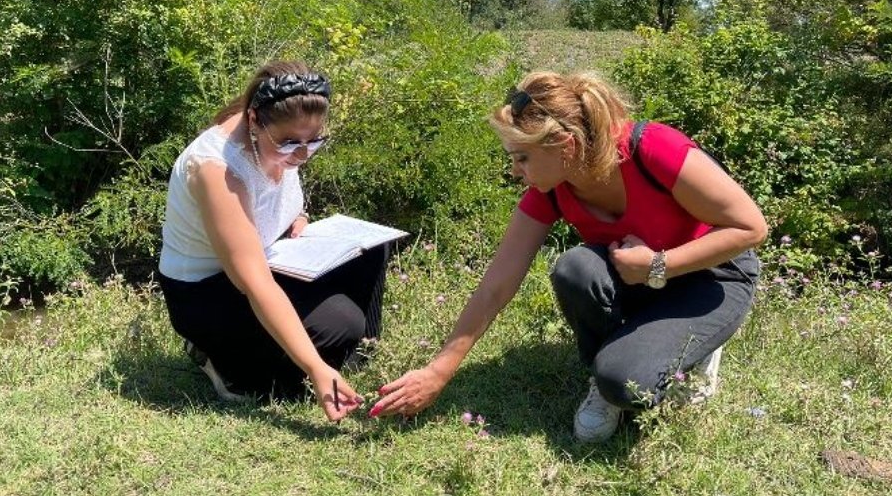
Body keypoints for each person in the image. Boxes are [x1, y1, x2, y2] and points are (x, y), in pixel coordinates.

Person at [370, 71, 767, 442]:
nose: (513, 170)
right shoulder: (553, 189)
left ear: (566, 145)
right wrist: (439, 371)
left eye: (521, 157)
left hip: (714, 277)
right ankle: (607, 371)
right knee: (576, 269)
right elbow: (498, 282)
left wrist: (657, 265)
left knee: (626, 382)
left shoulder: (653, 148)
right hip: (641, 276)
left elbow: (751, 228)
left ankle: (694, 353)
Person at [158, 60, 386, 421]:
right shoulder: (216, 170)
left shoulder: (273, 135)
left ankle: (354, 353)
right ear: (253, 121)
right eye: (290, 143)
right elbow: (254, 282)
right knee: (338, 323)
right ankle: (230, 367)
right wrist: (313, 365)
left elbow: (273, 197)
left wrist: (296, 215)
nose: (300, 154)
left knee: (369, 248)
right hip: (206, 294)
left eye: (313, 143)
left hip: (265, 259)